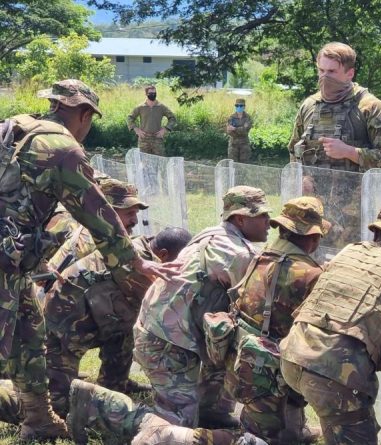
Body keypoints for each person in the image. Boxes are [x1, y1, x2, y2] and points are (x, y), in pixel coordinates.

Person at [0, 79, 173, 440]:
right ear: (83, 114)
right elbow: (96, 212)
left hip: (15, 264)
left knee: (30, 338)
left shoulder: (15, 127)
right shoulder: (64, 149)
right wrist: (134, 261)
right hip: (5, 263)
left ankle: (39, 419)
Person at [280, 204, 381, 445]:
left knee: (336, 424)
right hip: (336, 374)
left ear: (376, 233)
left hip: (292, 355)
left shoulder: (349, 251)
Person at [134, 185, 269, 427]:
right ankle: (101, 407)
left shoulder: (210, 234)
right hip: (165, 345)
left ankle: (212, 413)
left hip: (161, 331)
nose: (269, 222)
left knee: (226, 342)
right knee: (175, 431)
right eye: (262, 216)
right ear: (240, 218)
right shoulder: (239, 254)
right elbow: (256, 311)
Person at [45, 221, 191, 416]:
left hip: (102, 312)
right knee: (60, 401)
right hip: (67, 316)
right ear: (163, 254)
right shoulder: (137, 265)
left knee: (126, 333)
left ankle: (114, 384)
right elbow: (164, 311)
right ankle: (41, 413)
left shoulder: (143, 249)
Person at [222, 197, 330, 443]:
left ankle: (290, 428)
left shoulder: (262, 257)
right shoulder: (310, 275)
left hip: (241, 354)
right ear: (313, 239)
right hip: (272, 365)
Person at [288, 42, 381, 173]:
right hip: (312, 193)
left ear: (350, 74)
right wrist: (302, 180)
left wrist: (349, 152)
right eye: (321, 70)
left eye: (332, 71)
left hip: (358, 192)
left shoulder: (372, 108)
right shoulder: (308, 106)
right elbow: (293, 153)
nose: (325, 77)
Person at [63, 379, 268, 445]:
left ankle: (90, 394)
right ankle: (89, 396)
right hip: (159, 438)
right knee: (139, 419)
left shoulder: (235, 438)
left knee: (139, 417)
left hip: (160, 431)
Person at [127, 84, 177, 156]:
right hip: (144, 139)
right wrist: (136, 129)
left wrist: (165, 129)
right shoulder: (141, 107)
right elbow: (130, 118)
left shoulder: (161, 107)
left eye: (154, 93)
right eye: (151, 93)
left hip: (157, 138)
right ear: (146, 94)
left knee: (160, 162)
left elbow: (172, 118)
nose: (153, 95)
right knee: (144, 162)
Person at [226, 98, 253, 163]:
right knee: (233, 164)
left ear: (244, 107)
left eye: (241, 106)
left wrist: (235, 128)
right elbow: (229, 131)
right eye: (237, 105)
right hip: (233, 145)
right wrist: (241, 129)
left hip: (244, 144)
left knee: (244, 164)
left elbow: (246, 131)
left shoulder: (248, 117)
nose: (239, 107)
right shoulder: (231, 117)